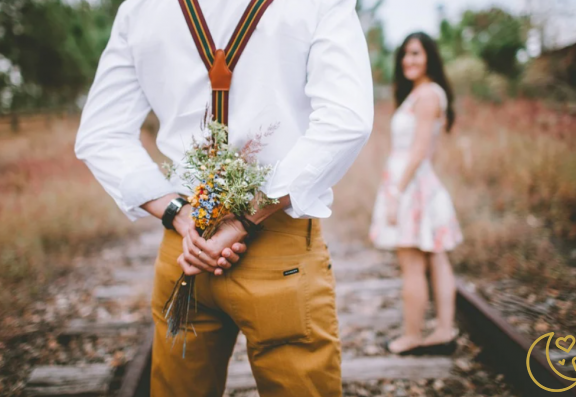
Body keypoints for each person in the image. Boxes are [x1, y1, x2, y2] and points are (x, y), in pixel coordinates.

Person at [75, 0, 374, 395]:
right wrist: (243, 219)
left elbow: (101, 135)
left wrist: (180, 215)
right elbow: (346, 120)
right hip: (277, 245)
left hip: (186, 249)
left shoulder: (140, 8)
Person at [368, 32, 463, 356]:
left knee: (412, 264)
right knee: (436, 257)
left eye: (415, 54)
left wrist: (396, 192)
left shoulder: (426, 96)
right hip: (418, 182)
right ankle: (443, 331)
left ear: (429, 57)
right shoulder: (424, 93)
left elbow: (420, 149)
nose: (408, 60)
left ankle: (412, 336)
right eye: (405, 55)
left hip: (409, 186)